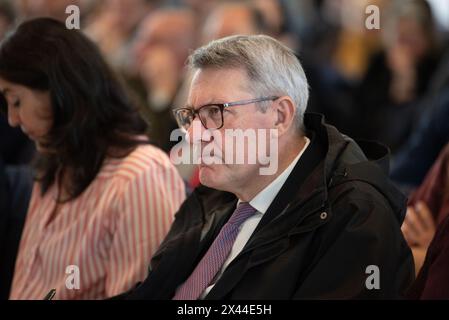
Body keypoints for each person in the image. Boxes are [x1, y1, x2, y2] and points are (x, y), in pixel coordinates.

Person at [118, 35, 414, 300]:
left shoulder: (354, 213)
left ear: (279, 116)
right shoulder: (220, 190)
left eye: (215, 112)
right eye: (191, 116)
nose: (193, 134)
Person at [0, 18, 186, 300]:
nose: (13, 120)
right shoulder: (57, 166)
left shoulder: (139, 176)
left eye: (16, 101)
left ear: (60, 92)